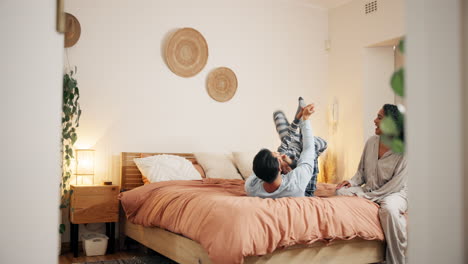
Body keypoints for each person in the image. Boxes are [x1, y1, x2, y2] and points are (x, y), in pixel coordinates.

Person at [336, 104, 407, 264]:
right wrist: (351, 182)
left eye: (380, 118)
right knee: (340, 193)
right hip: (369, 191)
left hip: (396, 194)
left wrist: (365, 196)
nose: (374, 120)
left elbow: (395, 186)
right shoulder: (371, 142)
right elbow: (361, 172)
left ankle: (396, 261)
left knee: (388, 209)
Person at [245, 104, 316, 198]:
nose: (278, 154)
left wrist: (299, 119)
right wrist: (305, 118)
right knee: (310, 145)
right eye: (276, 155)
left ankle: (294, 129)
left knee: (287, 146)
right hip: (295, 156)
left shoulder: (251, 188)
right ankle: (294, 134)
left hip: (289, 153)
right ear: (279, 167)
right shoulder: (297, 182)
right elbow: (309, 148)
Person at [273, 97, 328, 196]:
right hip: (306, 147)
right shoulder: (302, 178)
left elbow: (289, 136)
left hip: (293, 141)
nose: (278, 155)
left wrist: (297, 119)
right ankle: (302, 124)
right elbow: (309, 153)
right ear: (280, 171)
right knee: (318, 144)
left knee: (278, 115)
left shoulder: (281, 154)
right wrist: (304, 119)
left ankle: (300, 118)